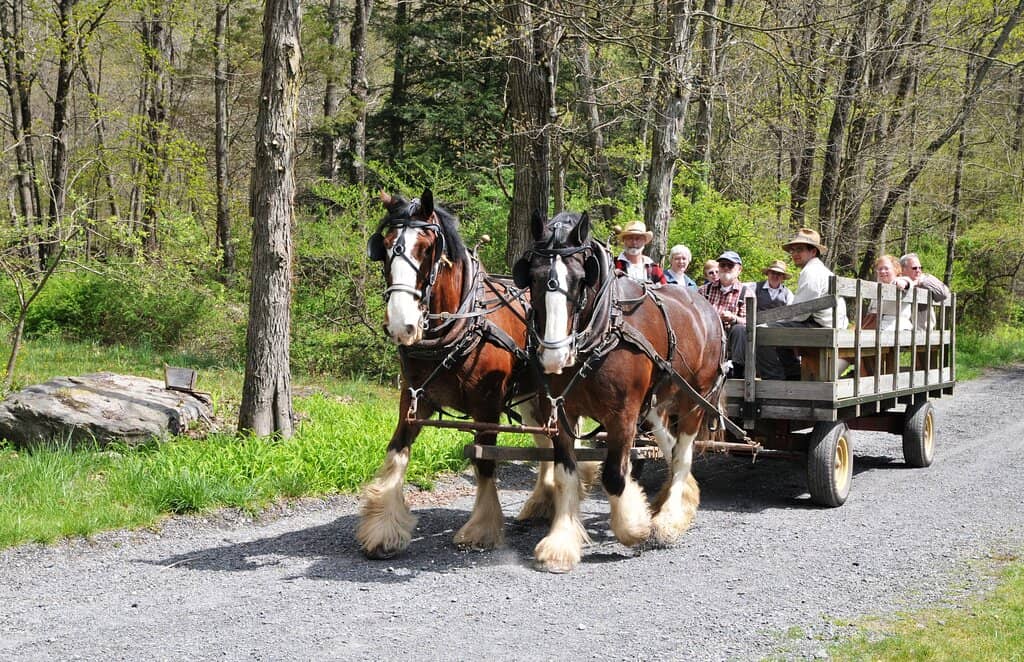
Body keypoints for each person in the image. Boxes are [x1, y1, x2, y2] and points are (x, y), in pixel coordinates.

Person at [756, 228, 849, 380]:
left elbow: (800, 313)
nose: (794, 254)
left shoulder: (811, 272)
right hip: (828, 325)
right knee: (777, 328)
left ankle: (773, 380)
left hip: (821, 327)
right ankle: (793, 374)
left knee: (760, 332)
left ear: (813, 252)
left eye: (800, 250)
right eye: (792, 250)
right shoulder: (819, 270)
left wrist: (776, 322)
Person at [701, 250, 748, 377]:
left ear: (739, 270)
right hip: (708, 335)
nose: (726, 268)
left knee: (740, 329)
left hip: (731, 338)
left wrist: (733, 318)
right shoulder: (704, 290)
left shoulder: (746, 293)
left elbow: (750, 322)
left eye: (730, 265)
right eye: (722, 265)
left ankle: (736, 371)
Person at [899, 253, 951, 331]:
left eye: (920, 268)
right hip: (900, 331)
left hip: (923, 332)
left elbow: (944, 293)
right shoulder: (897, 280)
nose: (918, 270)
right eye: (914, 268)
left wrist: (922, 282)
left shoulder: (926, 280)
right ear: (903, 269)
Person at [862, 254, 912, 332]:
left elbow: (908, 283)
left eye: (886, 268)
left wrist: (902, 283)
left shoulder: (900, 280)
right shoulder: (877, 288)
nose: (882, 271)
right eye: (880, 269)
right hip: (877, 328)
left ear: (895, 269)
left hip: (896, 327)